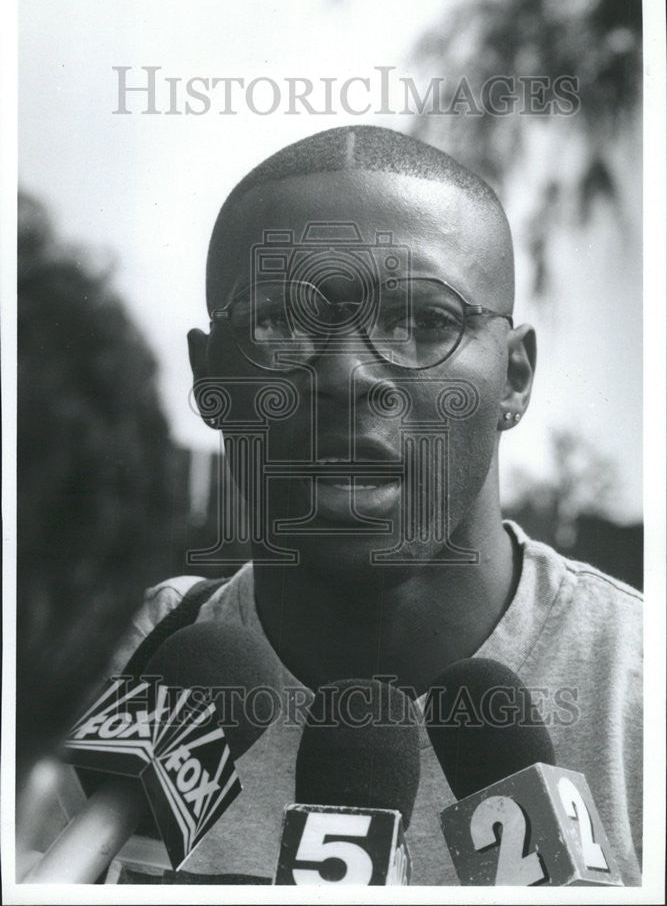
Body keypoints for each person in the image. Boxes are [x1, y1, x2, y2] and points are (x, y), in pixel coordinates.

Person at [95, 126, 643, 884]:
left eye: (424, 321)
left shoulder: (642, 694)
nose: (347, 374)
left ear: (513, 377)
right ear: (209, 376)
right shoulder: (107, 680)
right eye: (279, 322)